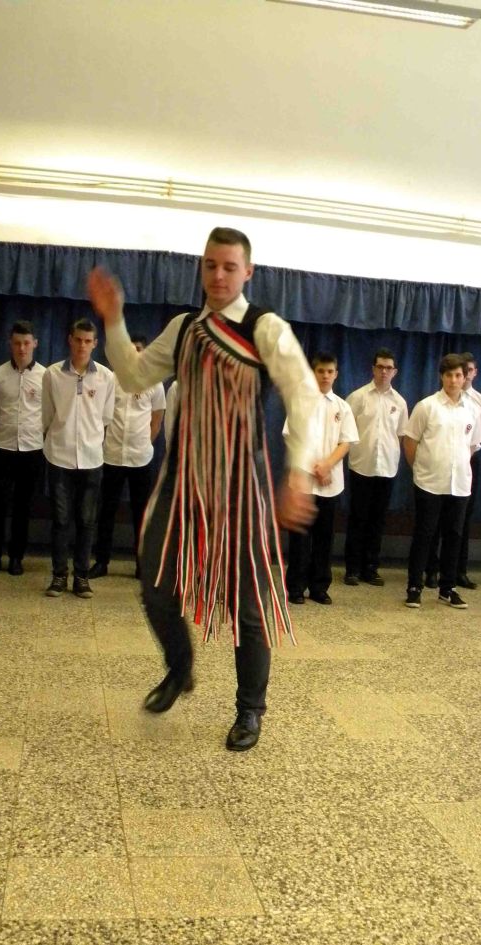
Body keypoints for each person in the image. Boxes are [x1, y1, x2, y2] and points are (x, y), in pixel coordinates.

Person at [88, 226, 319, 752]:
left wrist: (299, 475)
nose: (218, 275)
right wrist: (114, 319)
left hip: (242, 487)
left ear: (248, 272)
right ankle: (180, 667)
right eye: (210, 265)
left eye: (229, 267)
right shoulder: (185, 328)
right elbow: (133, 377)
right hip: (182, 481)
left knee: (249, 605)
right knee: (154, 581)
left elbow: (304, 397)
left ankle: (250, 710)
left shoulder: (265, 328)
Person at [41, 318, 115, 599]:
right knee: (61, 520)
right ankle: (59, 575)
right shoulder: (52, 374)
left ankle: (81, 577)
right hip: (58, 456)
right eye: (78, 340)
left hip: (91, 458)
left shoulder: (106, 377)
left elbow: (105, 417)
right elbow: (47, 415)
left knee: (87, 520)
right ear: (69, 340)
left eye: (88, 341)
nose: (82, 345)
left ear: (95, 344)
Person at [403, 353, 481, 609]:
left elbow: (472, 446)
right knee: (424, 535)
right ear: (441, 377)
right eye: (449, 375)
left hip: (459, 485)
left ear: (465, 377)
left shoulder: (473, 409)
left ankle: (448, 588)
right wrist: (420, 470)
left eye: (458, 375)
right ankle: (414, 586)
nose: (453, 380)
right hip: (429, 483)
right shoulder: (427, 406)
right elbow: (410, 441)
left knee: (454, 536)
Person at [89, 336, 166, 580]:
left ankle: (142, 565)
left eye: (138, 350)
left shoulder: (155, 382)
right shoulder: (111, 380)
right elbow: (100, 416)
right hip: (111, 455)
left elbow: (157, 420)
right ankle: (101, 562)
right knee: (107, 511)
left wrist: (145, 443)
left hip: (140, 458)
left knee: (141, 514)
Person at [284, 353, 358, 606]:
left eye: (329, 371)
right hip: (303, 481)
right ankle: (296, 586)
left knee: (324, 538)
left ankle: (319, 586)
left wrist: (326, 465)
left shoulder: (342, 407)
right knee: (300, 538)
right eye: (320, 371)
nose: (325, 376)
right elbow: (292, 438)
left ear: (336, 374)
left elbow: (346, 442)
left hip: (330, 482)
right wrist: (312, 467)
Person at [0, 320, 46, 577]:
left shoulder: (46, 376)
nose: (21, 348)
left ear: (35, 343)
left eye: (26, 343)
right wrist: (6, 432)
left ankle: (16, 557)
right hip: (4, 448)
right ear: (10, 344)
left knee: (22, 507)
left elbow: (49, 415)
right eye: (17, 343)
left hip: (33, 450)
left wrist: (35, 433)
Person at [343, 347, 408, 586]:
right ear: (373, 369)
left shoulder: (400, 402)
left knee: (378, 520)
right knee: (357, 518)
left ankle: (370, 567)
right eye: (380, 367)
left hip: (387, 468)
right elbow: (346, 432)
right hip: (361, 466)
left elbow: (401, 435)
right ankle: (352, 568)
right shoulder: (357, 397)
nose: (384, 372)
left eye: (388, 368)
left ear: (395, 372)